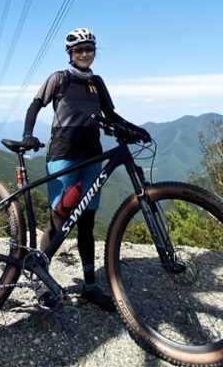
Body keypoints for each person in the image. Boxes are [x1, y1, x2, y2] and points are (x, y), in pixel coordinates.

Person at [21, 28, 151, 311]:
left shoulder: (97, 82)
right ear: (70, 53)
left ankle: (90, 285)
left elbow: (110, 115)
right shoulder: (59, 79)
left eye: (89, 49)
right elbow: (35, 104)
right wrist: (28, 134)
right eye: (78, 50)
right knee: (58, 218)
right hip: (63, 154)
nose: (84, 54)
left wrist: (134, 129)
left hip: (93, 155)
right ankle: (42, 279)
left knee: (87, 222)